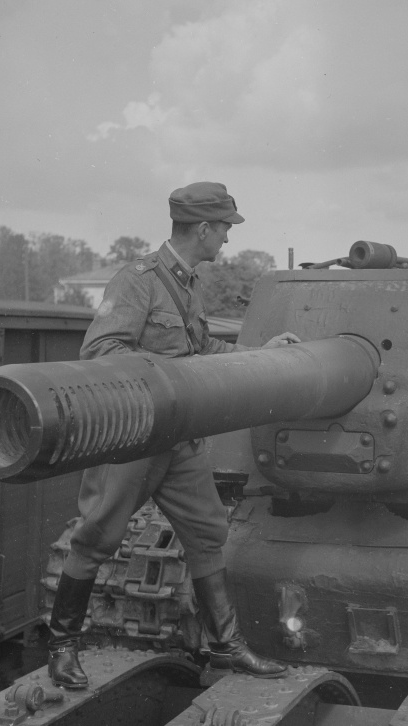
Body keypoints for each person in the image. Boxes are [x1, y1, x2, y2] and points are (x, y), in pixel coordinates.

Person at [48, 181, 299, 688]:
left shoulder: (187, 283)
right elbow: (99, 353)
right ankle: (62, 647)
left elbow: (203, 351)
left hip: (179, 439)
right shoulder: (137, 280)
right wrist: (166, 373)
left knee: (208, 531)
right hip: (135, 439)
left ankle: (226, 645)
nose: (228, 238)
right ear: (203, 229)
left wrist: (263, 353)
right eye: (226, 227)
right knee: (96, 535)